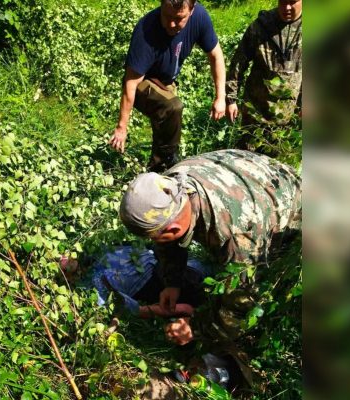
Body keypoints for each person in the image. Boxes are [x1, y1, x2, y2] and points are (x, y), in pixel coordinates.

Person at [119, 149, 301, 346]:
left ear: (172, 228)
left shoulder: (239, 239)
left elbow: (241, 303)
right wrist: (173, 282)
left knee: (271, 284)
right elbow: (169, 241)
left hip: (294, 205)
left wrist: (195, 328)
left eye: (155, 236)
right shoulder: (170, 187)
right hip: (252, 178)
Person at [109, 0, 227, 172]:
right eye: (167, 16)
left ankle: (156, 170)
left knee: (167, 126)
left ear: (191, 11)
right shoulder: (146, 31)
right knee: (172, 106)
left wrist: (221, 97)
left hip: (167, 81)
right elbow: (131, 83)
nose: (171, 24)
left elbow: (216, 55)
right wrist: (122, 127)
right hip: (143, 82)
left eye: (179, 19)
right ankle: (166, 165)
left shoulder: (200, 17)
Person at [225, 0, 302, 134]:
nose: (287, 8)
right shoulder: (261, 26)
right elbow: (238, 63)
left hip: (292, 119)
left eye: (292, 2)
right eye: (283, 2)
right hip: (255, 114)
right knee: (246, 154)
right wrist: (231, 99)